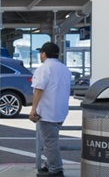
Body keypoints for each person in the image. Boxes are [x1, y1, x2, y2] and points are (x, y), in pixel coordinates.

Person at [29, 42, 72, 177]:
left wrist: (33, 110)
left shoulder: (44, 68)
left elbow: (38, 90)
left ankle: (55, 170)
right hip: (61, 111)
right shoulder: (64, 68)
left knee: (49, 143)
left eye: (40, 53)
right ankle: (49, 165)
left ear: (44, 54)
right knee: (52, 140)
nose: (40, 56)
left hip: (48, 112)